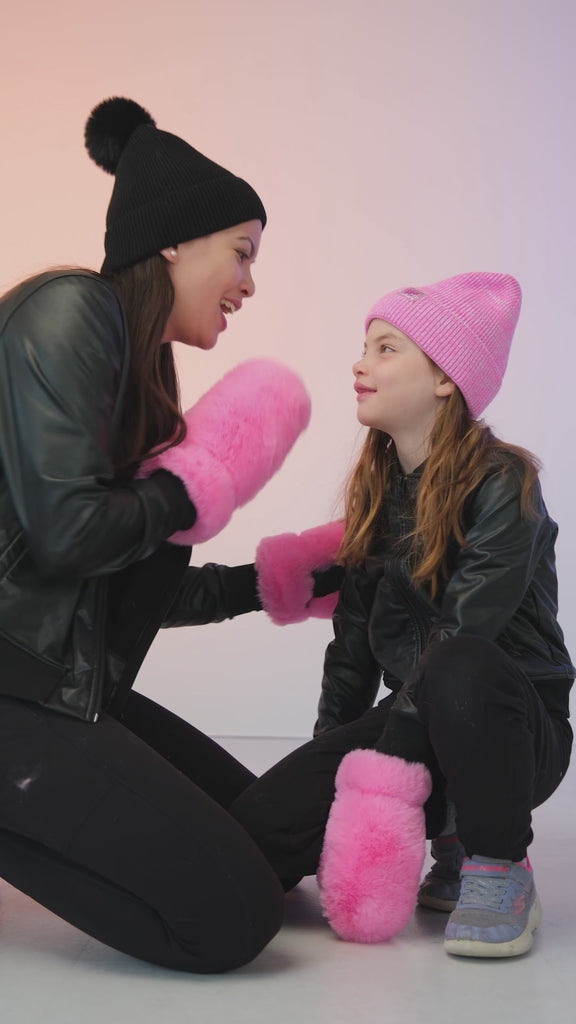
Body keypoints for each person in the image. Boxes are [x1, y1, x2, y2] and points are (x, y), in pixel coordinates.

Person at [0, 96, 341, 973]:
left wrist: (275, 584)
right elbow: (70, 534)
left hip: (58, 681)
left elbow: (115, 575)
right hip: (13, 687)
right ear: (173, 244)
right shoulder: (69, 311)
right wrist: (194, 483)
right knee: (232, 919)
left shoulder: (141, 371)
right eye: (242, 251)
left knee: (270, 845)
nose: (249, 283)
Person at [231, 272, 574, 959]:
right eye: (365, 348)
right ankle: (447, 828)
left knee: (458, 662)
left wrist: (382, 782)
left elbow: (465, 630)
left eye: (386, 349)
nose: (360, 365)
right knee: (259, 838)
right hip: (417, 715)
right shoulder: (379, 493)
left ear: (446, 378)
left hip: (509, 730)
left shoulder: (505, 482)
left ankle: (497, 862)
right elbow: (352, 653)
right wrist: (332, 773)